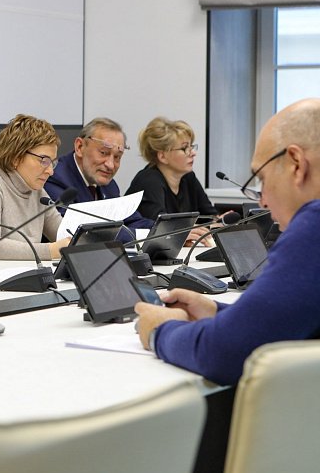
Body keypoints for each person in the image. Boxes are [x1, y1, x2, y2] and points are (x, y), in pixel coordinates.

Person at [135, 98, 320, 386]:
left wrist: (161, 330)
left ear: (296, 164)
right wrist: (218, 312)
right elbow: (288, 318)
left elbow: (224, 353)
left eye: (261, 179)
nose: (263, 200)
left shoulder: (313, 228)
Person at [0, 114, 70, 260]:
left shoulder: (37, 191)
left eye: (52, 162)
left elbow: (63, 234)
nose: (50, 171)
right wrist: (50, 251)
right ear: (15, 158)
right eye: (44, 160)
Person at [44, 117, 154, 240]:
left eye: (117, 157)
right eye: (103, 153)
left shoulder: (109, 185)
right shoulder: (55, 178)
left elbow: (131, 220)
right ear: (80, 147)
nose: (110, 165)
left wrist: (165, 231)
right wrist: (141, 235)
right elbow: (82, 233)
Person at [126, 116, 218, 220]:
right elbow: (160, 226)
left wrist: (221, 221)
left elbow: (210, 216)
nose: (193, 153)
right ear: (162, 156)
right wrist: (194, 228)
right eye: (184, 148)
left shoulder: (188, 177)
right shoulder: (149, 181)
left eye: (191, 146)